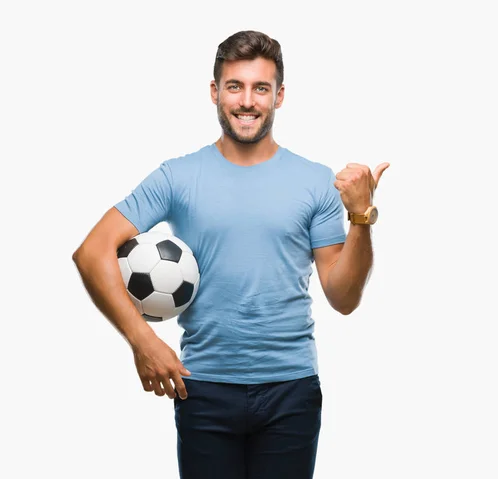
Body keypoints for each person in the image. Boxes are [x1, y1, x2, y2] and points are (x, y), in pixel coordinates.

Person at [72, 30, 389, 479]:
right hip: (202, 388)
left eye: (260, 88)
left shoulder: (316, 181)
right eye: (235, 86)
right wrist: (143, 342)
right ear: (214, 92)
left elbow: (343, 297)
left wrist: (360, 217)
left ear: (279, 96)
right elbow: (92, 251)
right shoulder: (177, 177)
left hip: (291, 389)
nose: (247, 101)